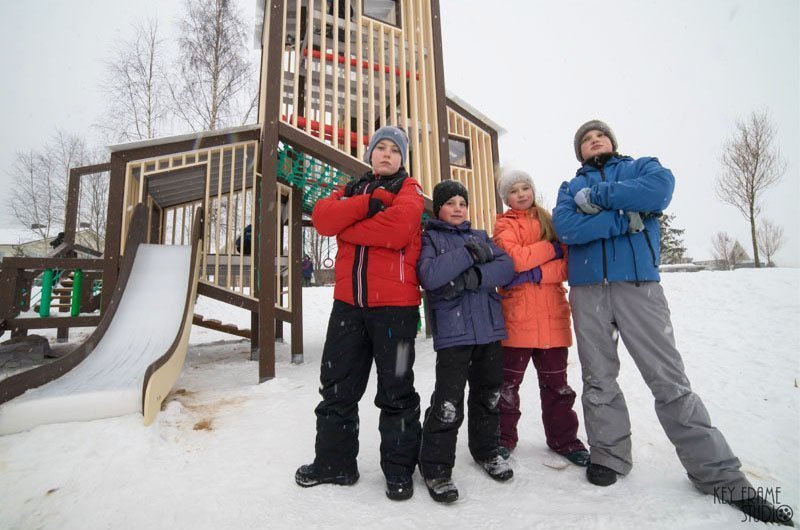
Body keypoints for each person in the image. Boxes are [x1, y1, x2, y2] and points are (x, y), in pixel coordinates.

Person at [552, 120, 793, 526]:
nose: (594, 141)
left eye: (600, 136)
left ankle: (716, 474)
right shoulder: (568, 187)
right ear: (580, 152)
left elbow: (659, 191)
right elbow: (568, 228)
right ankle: (609, 455)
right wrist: (624, 218)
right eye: (586, 140)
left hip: (639, 286)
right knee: (598, 378)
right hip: (588, 290)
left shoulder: (643, 167)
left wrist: (597, 198)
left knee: (668, 380)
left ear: (612, 142)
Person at [296, 126, 424, 502]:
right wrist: (366, 205)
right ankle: (334, 464)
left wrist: (347, 229)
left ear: (402, 158)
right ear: (370, 154)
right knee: (336, 387)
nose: (387, 154)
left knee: (397, 390)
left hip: (396, 311)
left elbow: (399, 229)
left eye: (394, 150)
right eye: (380, 148)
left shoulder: (410, 189)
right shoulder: (351, 189)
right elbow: (323, 219)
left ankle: (399, 471)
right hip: (348, 307)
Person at [416, 180, 515, 503]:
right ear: (438, 209)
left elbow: (506, 267)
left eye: (462, 203)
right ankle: (436, 467)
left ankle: (486, 450)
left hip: (489, 329)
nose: (458, 208)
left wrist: (474, 277)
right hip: (453, 333)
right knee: (448, 402)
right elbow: (430, 275)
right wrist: (470, 254)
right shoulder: (430, 238)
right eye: (450, 203)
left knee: (489, 395)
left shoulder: (482, 236)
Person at [492, 170, 589, 467]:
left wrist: (535, 273)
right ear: (506, 198)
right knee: (507, 386)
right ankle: (502, 438)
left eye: (525, 188)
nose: (521, 194)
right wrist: (550, 249)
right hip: (516, 318)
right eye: (513, 191)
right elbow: (515, 260)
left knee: (557, 386)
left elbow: (569, 265)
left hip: (552, 318)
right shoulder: (503, 224)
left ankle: (564, 440)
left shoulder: (551, 221)